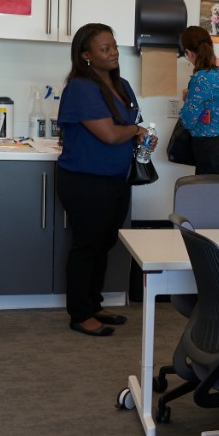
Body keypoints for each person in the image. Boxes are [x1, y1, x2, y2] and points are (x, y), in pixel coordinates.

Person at [56, 23, 153, 336]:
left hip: (115, 178)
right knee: (87, 245)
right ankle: (80, 314)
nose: (113, 53)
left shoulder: (121, 84)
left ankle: (94, 302)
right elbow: (110, 134)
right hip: (85, 181)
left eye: (113, 46)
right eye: (104, 49)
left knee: (105, 243)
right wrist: (135, 131)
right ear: (86, 56)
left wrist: (139, 135)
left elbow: (131, 124)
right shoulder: (82, 87)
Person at [179, 25, 219, 175]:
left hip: (210, 153)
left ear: (188, 52)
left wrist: (188, 99)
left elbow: (188, 121)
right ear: (210, 44)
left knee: (208, 198)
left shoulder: (201, 78)